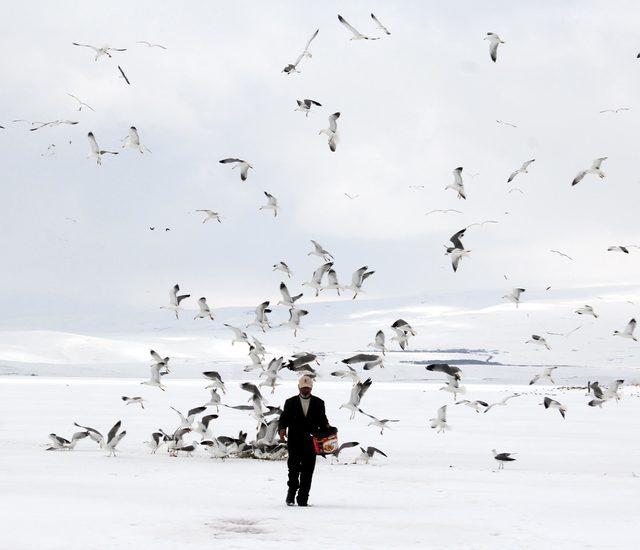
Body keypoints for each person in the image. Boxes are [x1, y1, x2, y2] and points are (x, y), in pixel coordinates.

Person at [278, 375, 331, 506]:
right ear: (298, 387)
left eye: (307, 388)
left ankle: (303, 499)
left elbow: (322, 420)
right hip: (294, 440)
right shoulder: (290, 402)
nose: (305, 390)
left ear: (311, 388)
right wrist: (282, 429)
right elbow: (284, 418)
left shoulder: (319, 402)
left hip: (311, 441)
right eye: (303, 388)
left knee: (308, 470)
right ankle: (291, 493)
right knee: (293, 468)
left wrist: (328, 428)